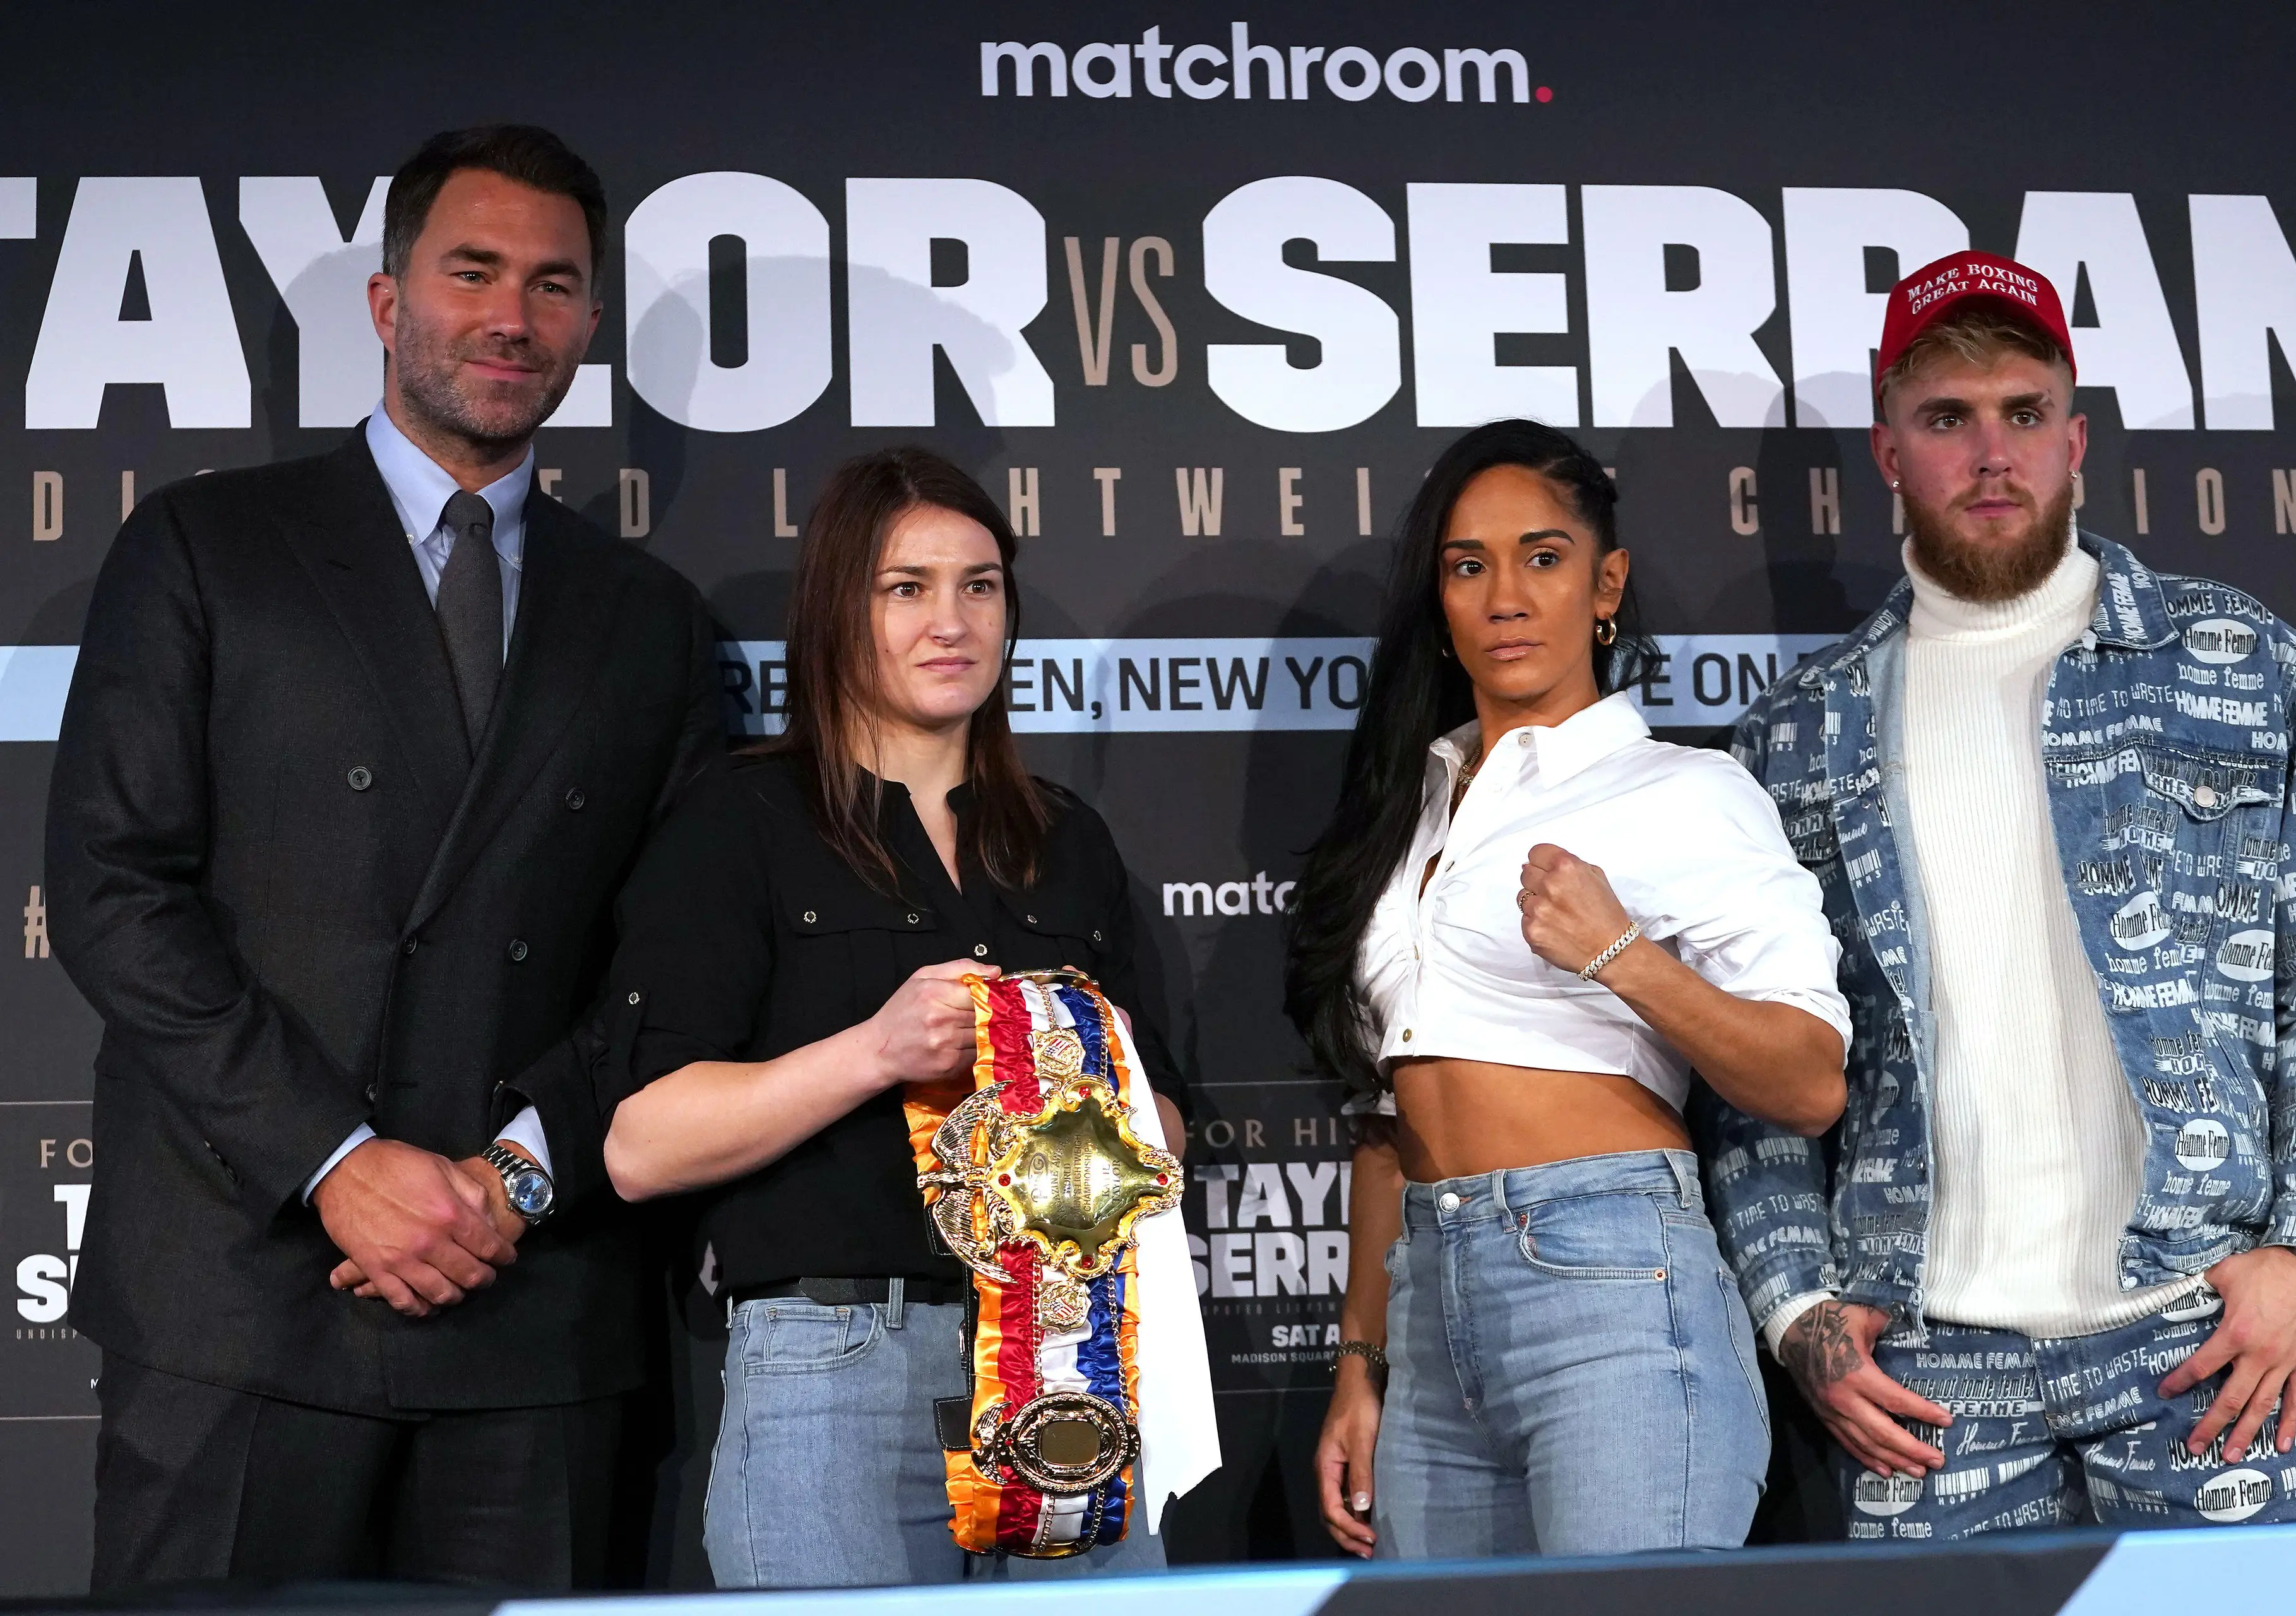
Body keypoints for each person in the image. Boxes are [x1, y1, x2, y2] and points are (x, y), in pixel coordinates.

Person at [45, 126, 725, 1588]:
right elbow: (113, 888)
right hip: (240, 1295)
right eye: (471, 270)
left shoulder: (651, 620)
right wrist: (336, 1159)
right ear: (384, 300)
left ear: (590, 325)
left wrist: (515, 1179)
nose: (511, 317)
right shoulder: (208, 546)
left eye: (553, 286)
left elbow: (675, 962)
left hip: (533, 1309)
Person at [1701, 251, 2296, 1537]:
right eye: (1946, 418)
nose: (1992, 453)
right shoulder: (1796, 735)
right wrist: (1796, 1305)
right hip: (1929, 1377)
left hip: (2201, 1340)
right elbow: (1756, 1071)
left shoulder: (2241, 660)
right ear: (1887, 451)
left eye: (2023, 413)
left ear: (2075, 436)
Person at [593, 446, 1187, 1587]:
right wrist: (873, 1054)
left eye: (978, 585)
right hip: (836, 1368)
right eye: (904, 588)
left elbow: (1163, 1121)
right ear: (835, 611)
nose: (949, 621)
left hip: (1074, 1372)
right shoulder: (742, 820)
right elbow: (637, 1144)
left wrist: (1116, 1125)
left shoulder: (1069, 842)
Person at [1285, 419, 1852, 1560]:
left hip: (1612, 1285)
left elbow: (1809, 1080)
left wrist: (1621, 956)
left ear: (1608, 584)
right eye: (1468, 565)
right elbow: (1391, 1113)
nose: (1505, 596)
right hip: (1431, 1307)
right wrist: (1364, 1357)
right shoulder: (1413, 810)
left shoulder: (1686, 791)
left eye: (1543, 558)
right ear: (1439, 602)